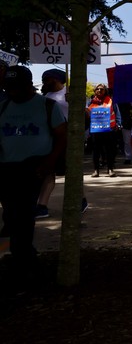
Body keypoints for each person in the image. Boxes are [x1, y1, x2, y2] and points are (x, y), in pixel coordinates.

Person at [0, 66, 67, 272]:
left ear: (29, 85)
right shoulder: (3, 107)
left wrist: (49, 162)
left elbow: (62, 136)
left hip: (33, 167)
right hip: (6, 167)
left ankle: (23, 258)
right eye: (9, 87)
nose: (13, 92)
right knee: (11, 214)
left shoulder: (47, 106)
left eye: (17, 87)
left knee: (23, 213)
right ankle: (22, 254)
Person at [35, 68, 69, 218]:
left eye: (46, 79)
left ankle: (80, 200)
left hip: (67, 138)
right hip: (50, 139)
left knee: (70, 171)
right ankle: (42, 205)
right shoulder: (45, 97)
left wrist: (75, 102)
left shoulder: (69, 93)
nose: (43, 82)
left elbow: (86, 113)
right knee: (49, 171)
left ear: (55, 79)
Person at [86, 82, 121, 177]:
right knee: (96, 151)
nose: (100, 90)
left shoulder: (111, 101)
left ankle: (110, 169)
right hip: (96, 131)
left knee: (110, 150)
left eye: (102, 89)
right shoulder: (90, 102)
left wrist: (118, 124)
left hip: (110, 130)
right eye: (98, 89)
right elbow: (87, 115)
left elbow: (117, 113)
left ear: (105, 91)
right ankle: (96, 170)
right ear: (95, 91)